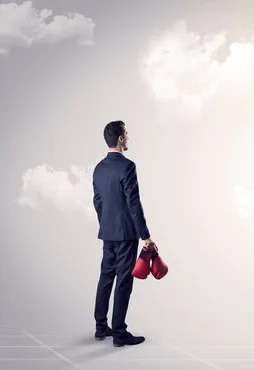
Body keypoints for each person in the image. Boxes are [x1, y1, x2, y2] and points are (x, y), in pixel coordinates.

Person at [92, 120, 155, 347]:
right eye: (126, 134)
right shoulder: (127, 166)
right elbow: (134, 204)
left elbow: (97, 202)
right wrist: (145, 236)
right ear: (120, 138)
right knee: (123, 282)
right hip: (126, 234)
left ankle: (101, 327)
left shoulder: (99, 168)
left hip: (107, 232)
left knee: (106, 277)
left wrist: (106, 223)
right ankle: (119, 333)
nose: (128, 137)